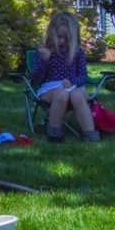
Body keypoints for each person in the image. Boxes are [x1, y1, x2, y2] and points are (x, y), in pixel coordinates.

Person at [32, 11, 100, 142]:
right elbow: (36, 80)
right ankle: (54, 132)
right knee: (62, 94)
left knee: (77, 95)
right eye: (59, 37)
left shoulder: (78, 52)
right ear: (51, 34)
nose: (62, 41)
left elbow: (83, 76)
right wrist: (44, 61)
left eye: (66, 38)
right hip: (50, 89)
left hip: (73, 86)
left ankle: (90, 134)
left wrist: (73, 81)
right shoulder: (44, 51)